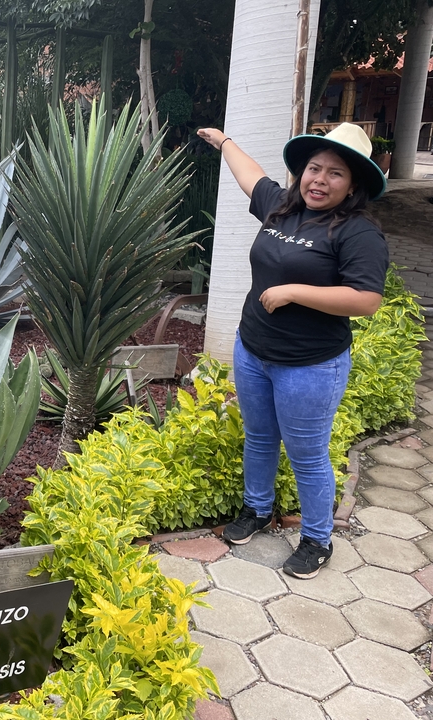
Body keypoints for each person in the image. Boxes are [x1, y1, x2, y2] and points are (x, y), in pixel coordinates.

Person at [197, 123, 389, 579]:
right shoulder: (282, 207)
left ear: (354, 184)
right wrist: (225, 142)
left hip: (310, 364)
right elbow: (252, 176)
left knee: (308, 455)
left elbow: (366, 300)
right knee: (260, 438)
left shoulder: (358, 233)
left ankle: (318, 539)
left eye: (335, 174)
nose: (319, 180)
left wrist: (295, 291)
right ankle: (258, 510)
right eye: (313, 169)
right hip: (254, 350)